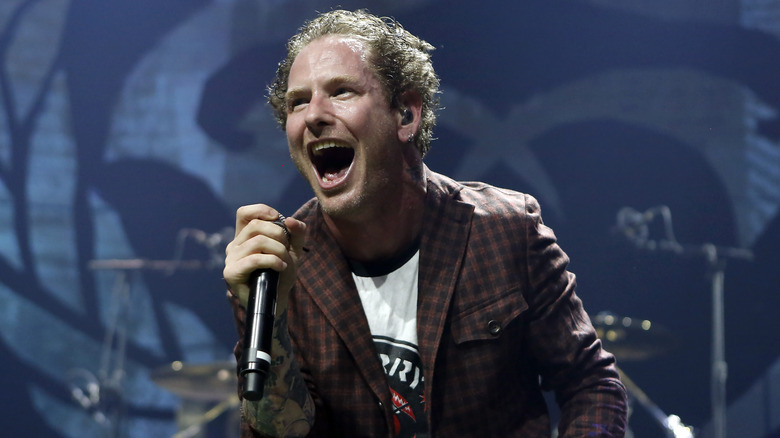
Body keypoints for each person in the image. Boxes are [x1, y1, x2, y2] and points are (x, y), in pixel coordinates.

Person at [223, 9, 628, 437]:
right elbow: (281, 431)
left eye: (341, 92)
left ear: (406, 114)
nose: (313, 115)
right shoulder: (279, 266)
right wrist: (266, 319)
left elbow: (591, 384)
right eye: (298, 101)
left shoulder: (504, 230)